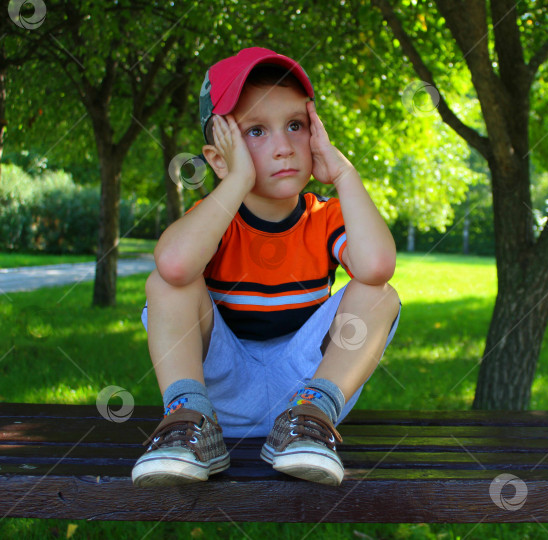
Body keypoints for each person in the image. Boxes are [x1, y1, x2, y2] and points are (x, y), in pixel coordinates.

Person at [131, 47, 400, 487]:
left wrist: (345, 174)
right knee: (166, 284)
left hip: (307, 394)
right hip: (221, 396)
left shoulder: (324, 216)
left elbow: (377, 268)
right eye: (256, 131)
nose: (283, 147)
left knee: (379, 294)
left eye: (295, 126)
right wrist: (236, 181)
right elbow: (175, 266)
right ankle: (188, 422)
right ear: (219, 157)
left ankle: (309, 423)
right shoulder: (215, 220)